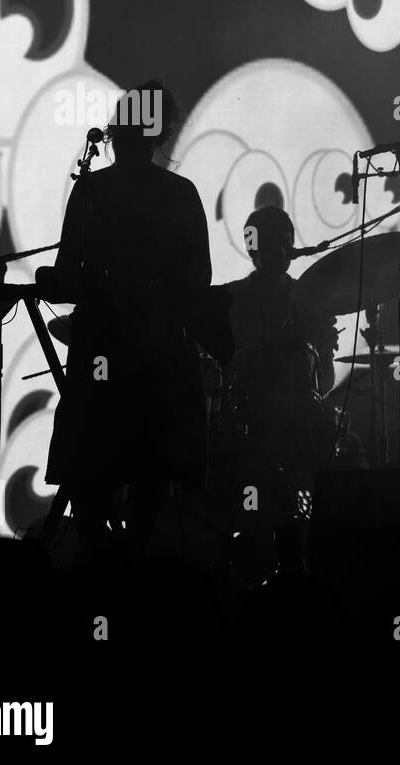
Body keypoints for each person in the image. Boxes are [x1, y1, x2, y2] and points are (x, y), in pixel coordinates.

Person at [43, 79, 209, 560]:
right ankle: (135, 576)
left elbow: (66, 277)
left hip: (100, 352)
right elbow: (198, 280)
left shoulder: (91, 190)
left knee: (88, 474)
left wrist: (50, 279)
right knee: (148, 481)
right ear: (162, 133)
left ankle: (97, 574)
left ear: (119, 126)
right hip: (158, 360)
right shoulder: (180, 193)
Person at [217, 206, 339, 549]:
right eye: (271, 241)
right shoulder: (231, 299)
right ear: (253, 248)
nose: (281, 249)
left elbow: (325, 379)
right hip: (249, 421)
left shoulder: (310, 301)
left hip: (299, 424)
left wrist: (321, 352)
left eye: (286, 241)